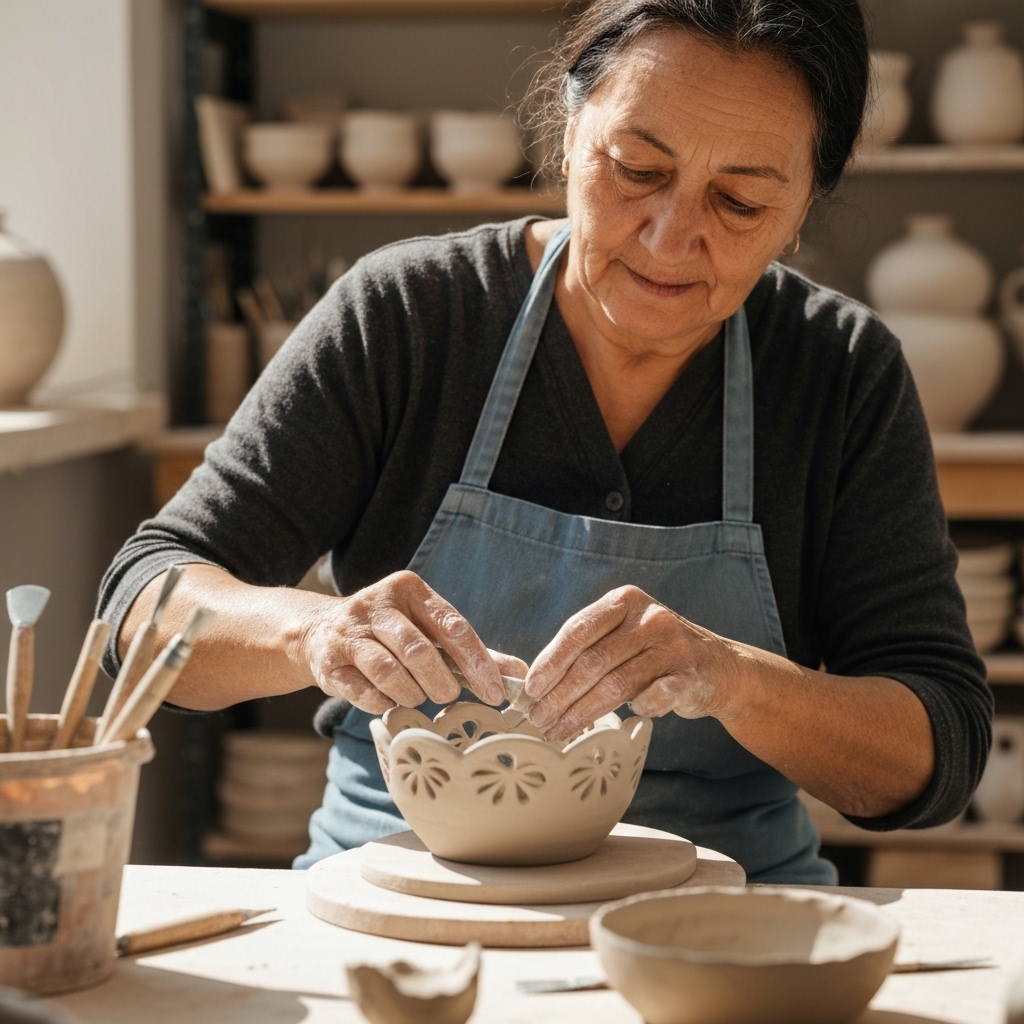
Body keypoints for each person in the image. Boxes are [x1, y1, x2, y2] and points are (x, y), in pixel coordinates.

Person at [100, 0, 991, 883]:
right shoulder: (409, 316)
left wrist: (733, 678)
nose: (671, 238)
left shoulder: (839, 368)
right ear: (568, 133)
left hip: (722, 915)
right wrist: (314, 633)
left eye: (740, 200)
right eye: (637, 169)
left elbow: (937, 749)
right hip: (406, 893)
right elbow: (144, 602)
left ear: (802, 207)